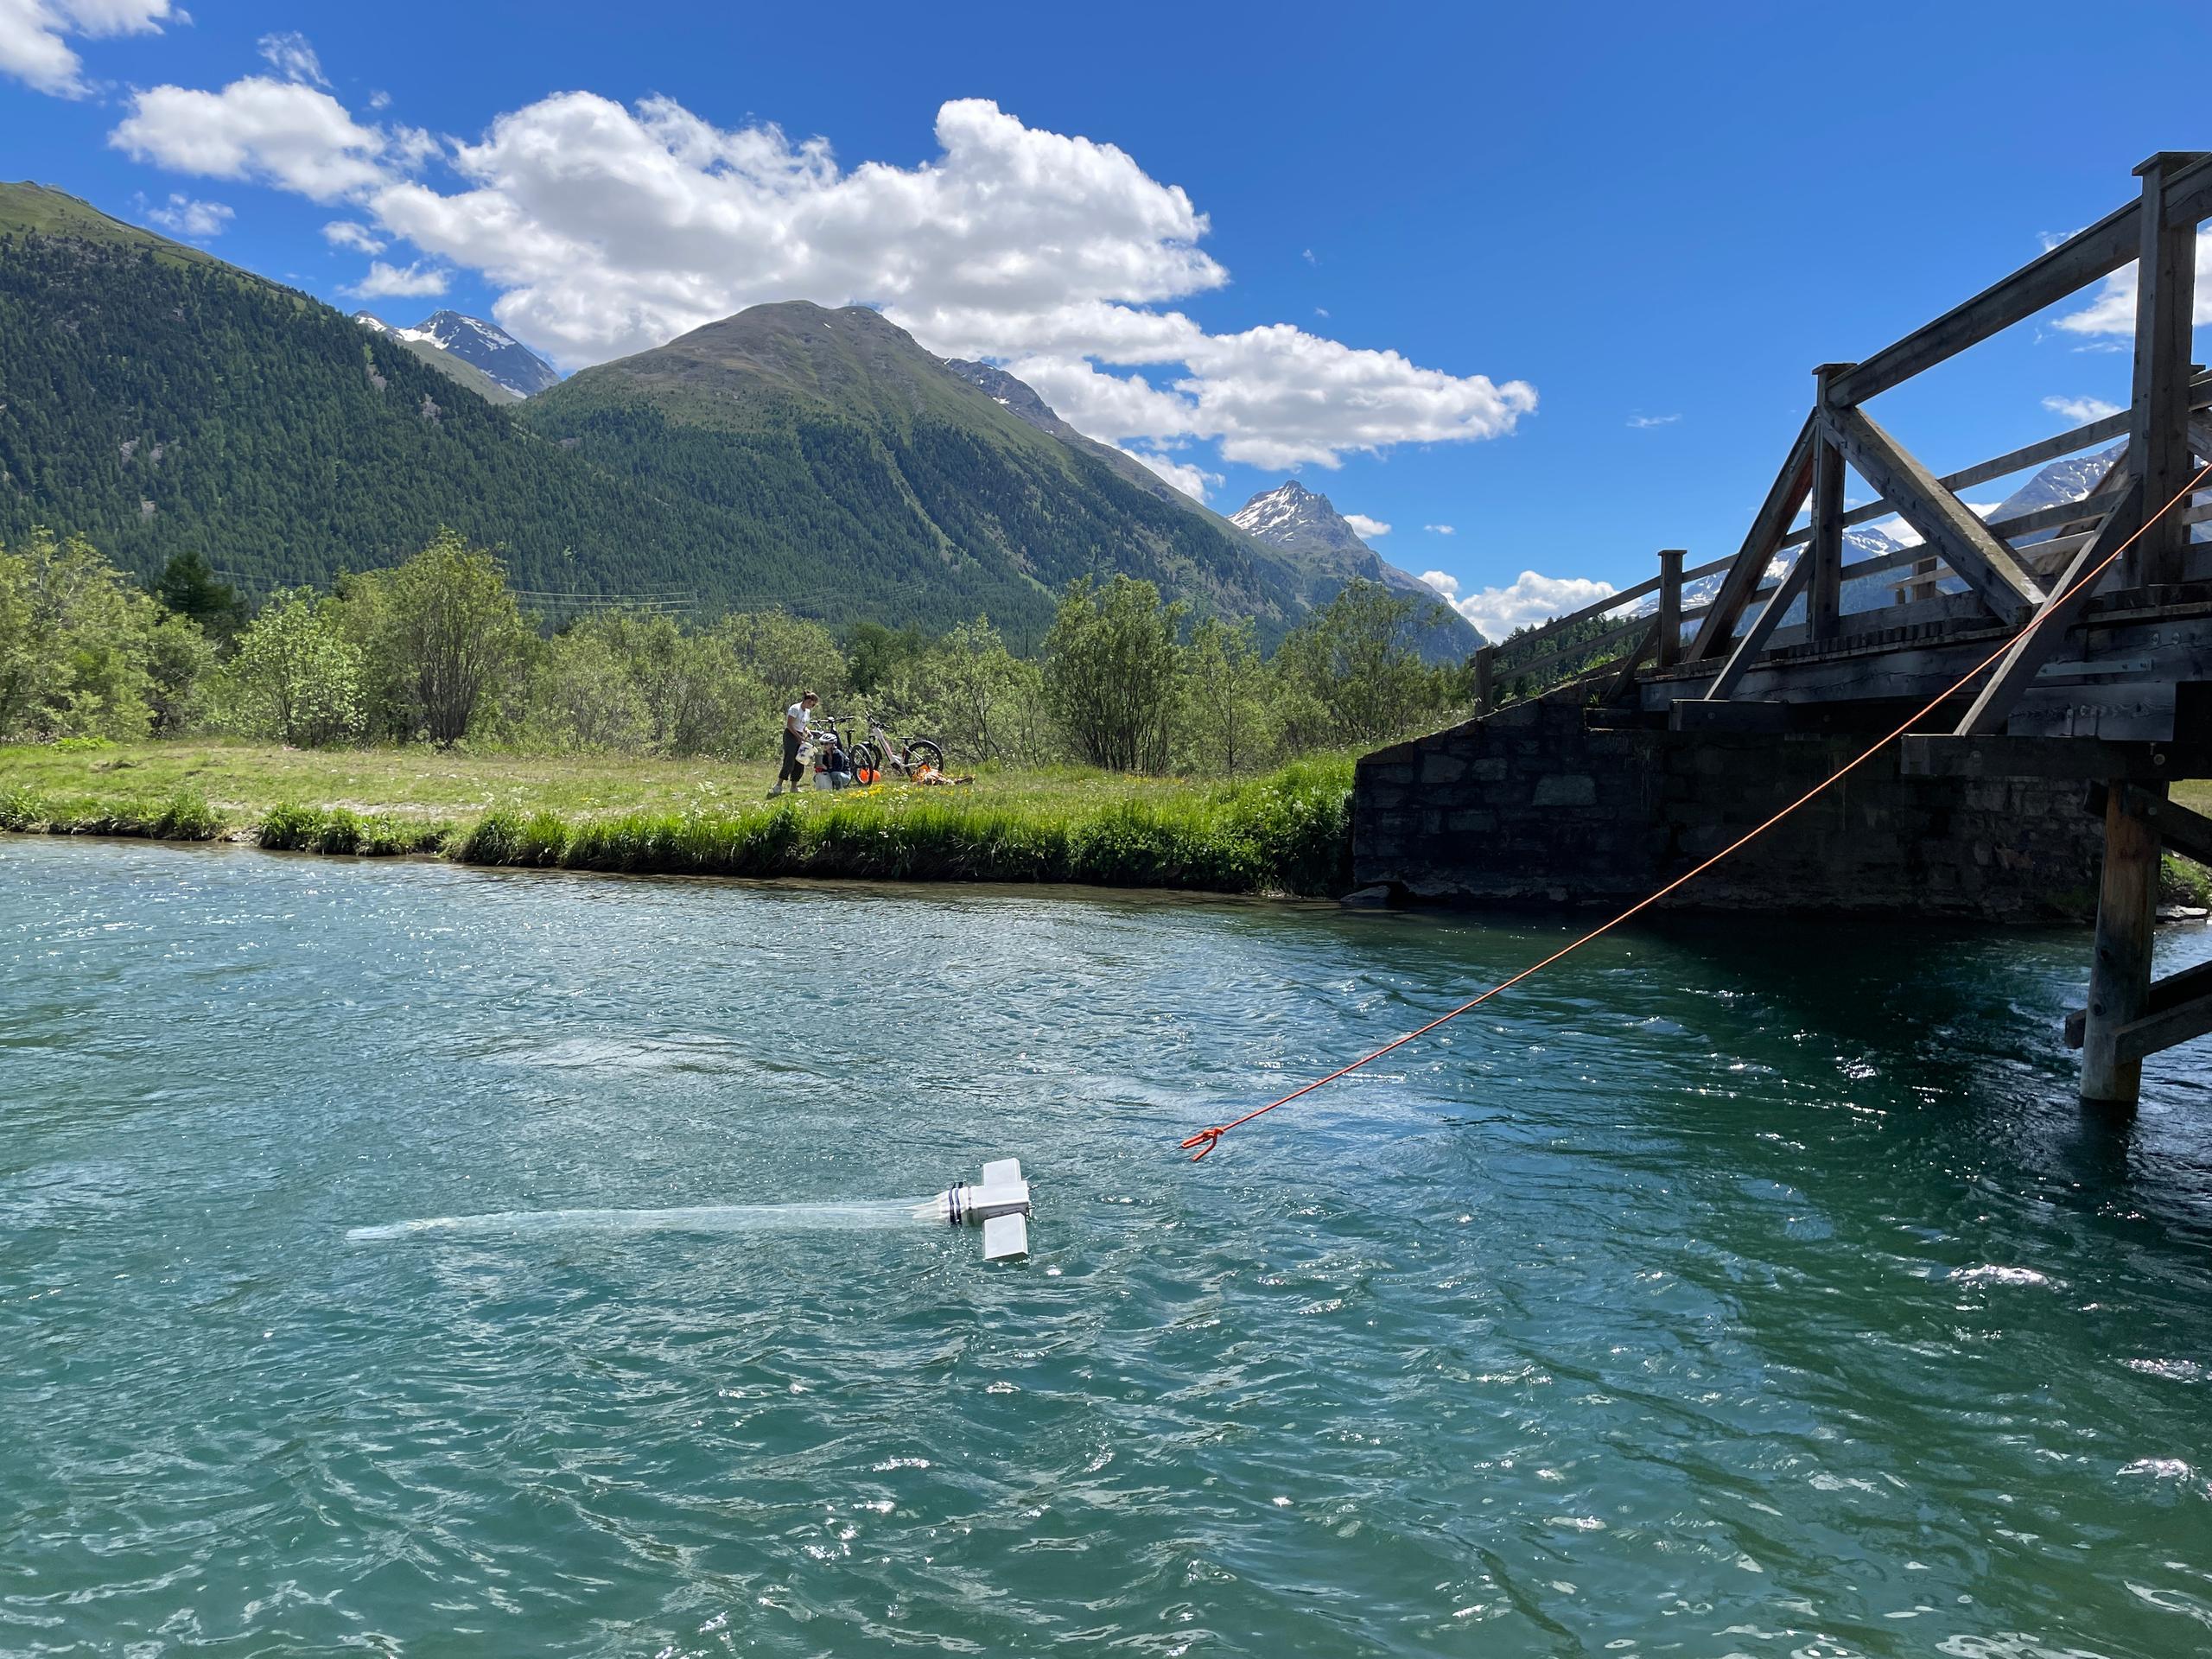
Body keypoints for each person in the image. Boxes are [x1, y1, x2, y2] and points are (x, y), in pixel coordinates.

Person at [771, 691, 819, 796]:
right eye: (813, 704)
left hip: (800, 735)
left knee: (801, 760)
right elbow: (789, 725)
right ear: (809, 701)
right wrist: (798, 737)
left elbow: (803, 725)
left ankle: (794, 787)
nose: (813, 707)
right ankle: (778, 785)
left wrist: (807, 732)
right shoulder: (795, 708)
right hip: (791, 735)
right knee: (790, 760)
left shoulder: (807, 712)